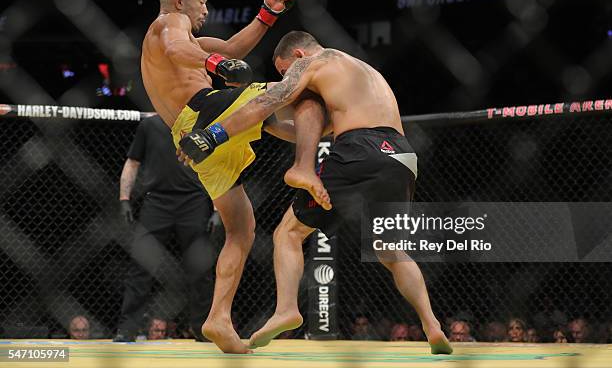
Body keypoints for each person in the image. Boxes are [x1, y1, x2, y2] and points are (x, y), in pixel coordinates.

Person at [178, 31, 452, 354]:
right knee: (391, 251)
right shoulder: (360, 71)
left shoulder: (315, 61)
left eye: (283, 70)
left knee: (288, 233)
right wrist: (262, 126)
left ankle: (286, 309)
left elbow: (271, 99)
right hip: (402, 155)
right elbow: (309, 130)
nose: (286, 77)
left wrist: (214, 135)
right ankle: (432, 325)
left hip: (359, 148)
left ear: (296, 56)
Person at [140, 0, 295, 354]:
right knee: (290, 86)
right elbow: (181, 49)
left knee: (242, 229)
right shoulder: (167, 25)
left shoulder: (189, 40)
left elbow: (230, 47)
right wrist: (216, 64)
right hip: (202, 116)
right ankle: (333, 130)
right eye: (202, 3)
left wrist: (268, 14)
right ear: (179, 1)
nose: (206, 11)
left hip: (196, 131)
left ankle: (219, 319)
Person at [114, 115, 214, 343]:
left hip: (194, 200)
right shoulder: (150, 124)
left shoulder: (201, 124)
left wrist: (217, 208)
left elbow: (217, 165)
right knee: (141, 265)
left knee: (200, 267)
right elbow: (132, 161)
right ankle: (127, 329)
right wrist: (124, 198)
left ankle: (202, 328)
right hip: (156, 201)